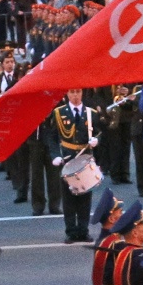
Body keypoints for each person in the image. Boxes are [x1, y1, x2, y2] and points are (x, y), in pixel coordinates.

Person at [44, 87, 97, 243]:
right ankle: (71, 231)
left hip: (85, 158)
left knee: (85, 195)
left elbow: (101, 131)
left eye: (78, 92)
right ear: (67, 94)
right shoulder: (59, 113)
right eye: (72, 92)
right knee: (69, 197)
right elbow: (52, 137)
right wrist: (55, 155)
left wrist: (96, 140)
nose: (75, 95)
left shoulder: (90, 113)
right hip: (67, 158)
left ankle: (83, 230)